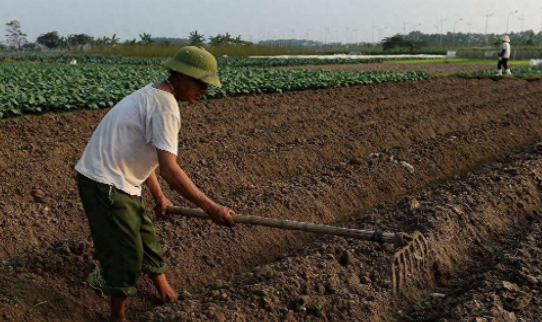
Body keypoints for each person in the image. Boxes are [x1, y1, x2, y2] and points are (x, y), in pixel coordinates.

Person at [75, 46, 236, 322]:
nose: (205, 91)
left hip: (122, 178)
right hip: (105, 181)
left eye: (209, 86)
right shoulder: (165, 108)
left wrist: (159, 197)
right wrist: (212, 208)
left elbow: (145, 151)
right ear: (183, 76)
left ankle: (164, 291)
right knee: (126, 252)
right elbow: (170, 170)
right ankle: (118, 317)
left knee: (146, 236)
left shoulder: (155, 94)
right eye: (202, 83)